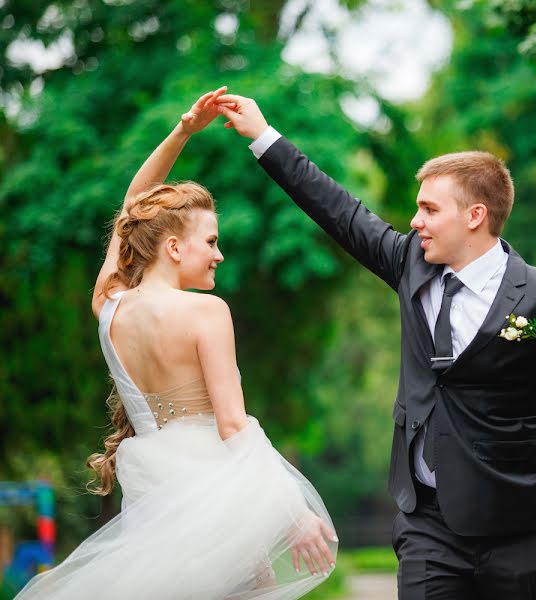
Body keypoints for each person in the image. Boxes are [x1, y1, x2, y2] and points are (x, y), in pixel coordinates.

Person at [216, 93, 536, 599]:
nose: (415, 221)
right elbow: (338, 209)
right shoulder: (409, 261)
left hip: (524, 530)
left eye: (429, 209)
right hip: (428, 527)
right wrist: (263, 136)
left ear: (475, 216)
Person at [15, 89, 337, 600]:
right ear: (172, 246)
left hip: (155, 495)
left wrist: (183, 131)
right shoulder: (207, 313)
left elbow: (132, 208)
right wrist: (291, 511)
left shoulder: (110, 308)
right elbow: (233, 426)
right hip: (217, 496)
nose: (219, 254)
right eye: (210, 241)